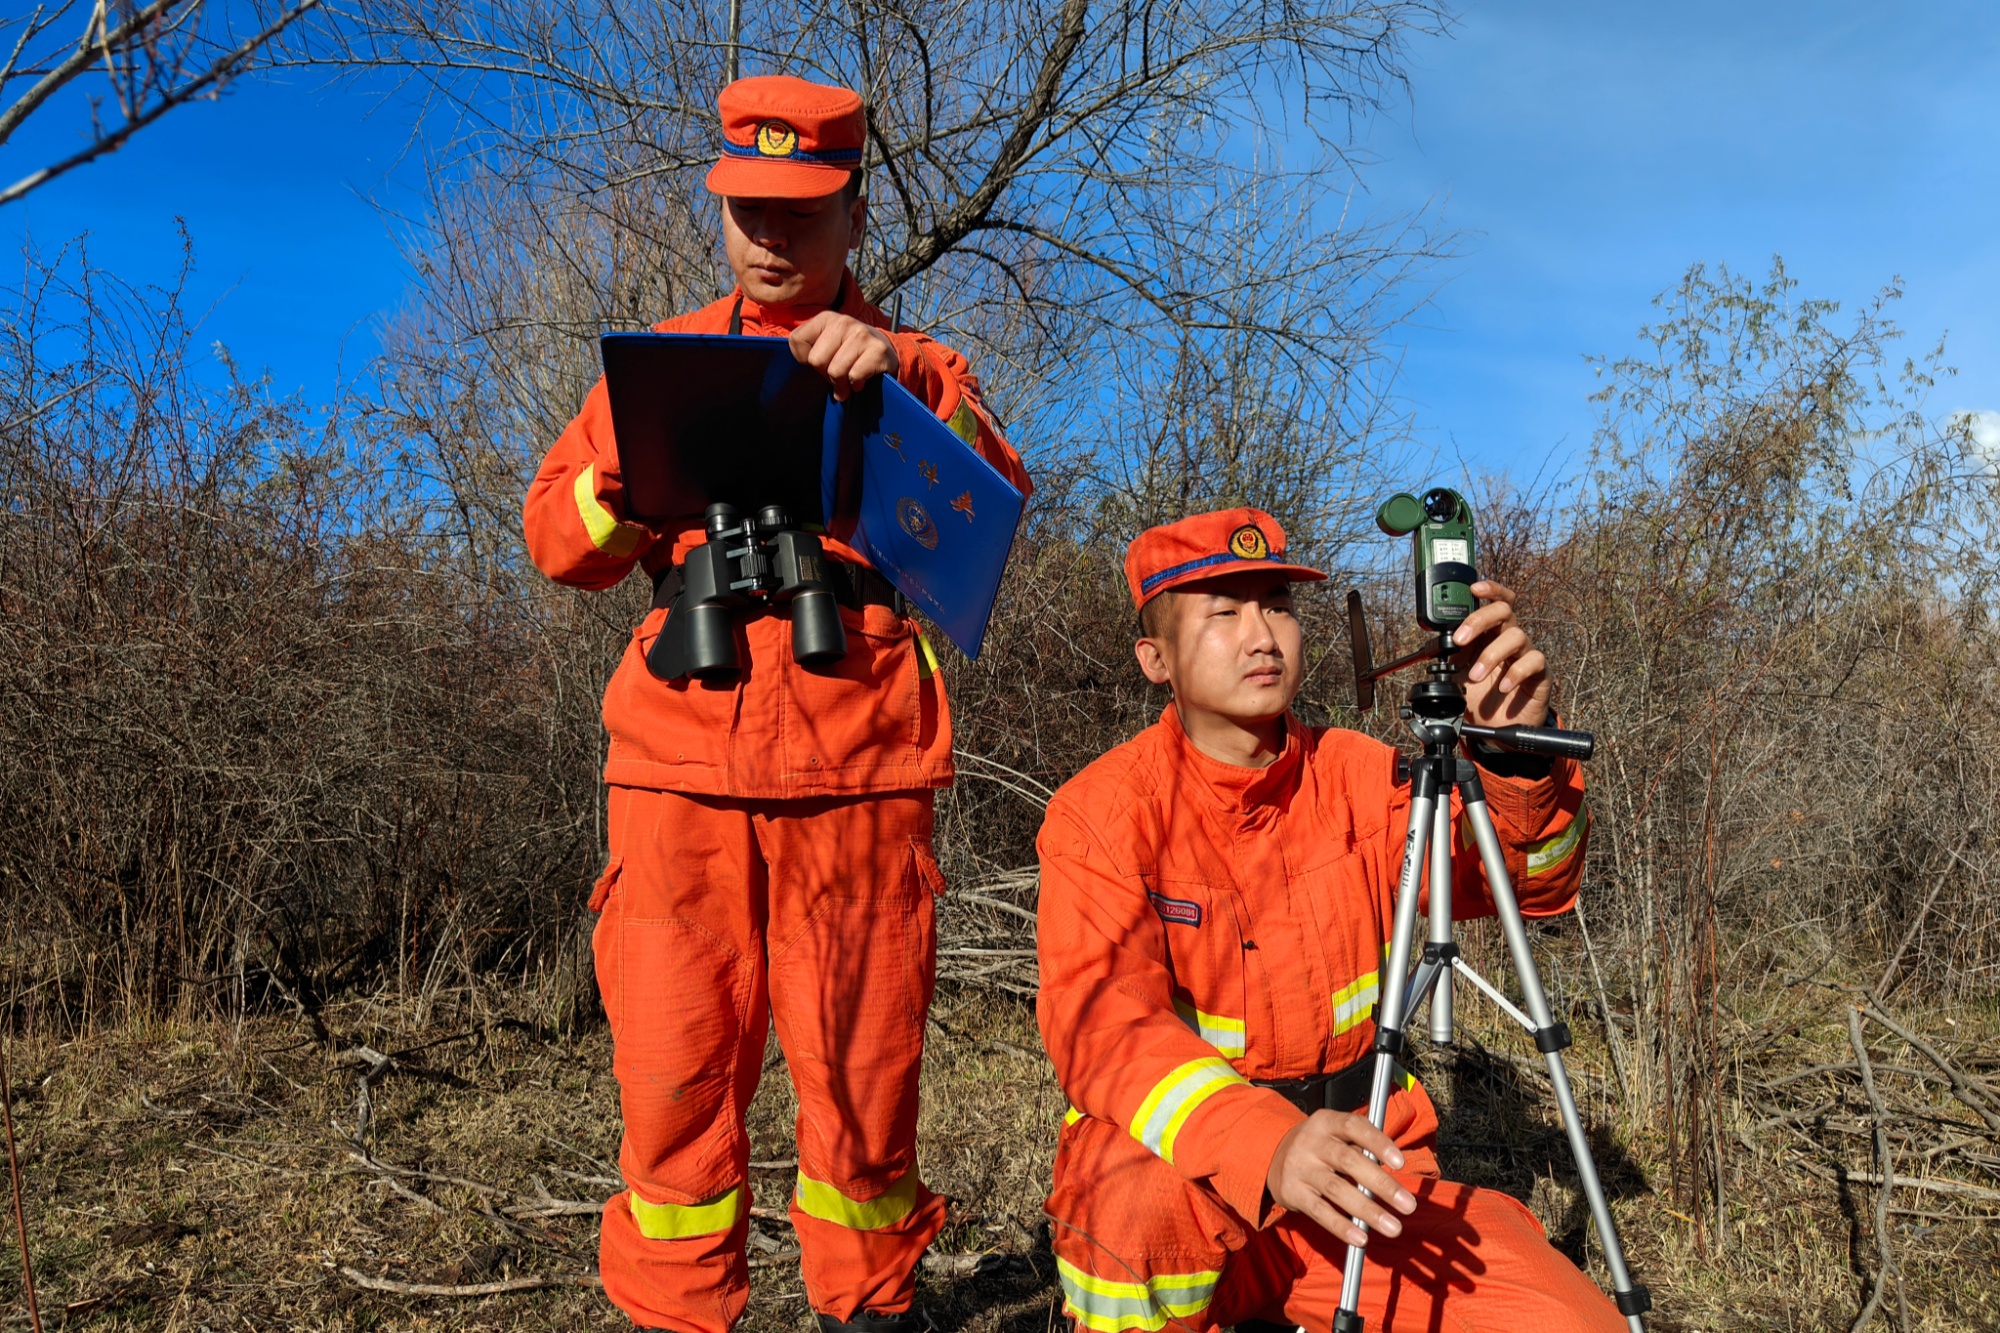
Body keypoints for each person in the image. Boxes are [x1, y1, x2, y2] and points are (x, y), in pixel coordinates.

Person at [523, 73, 1032, 1333]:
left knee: (863, 1090)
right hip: (674, 779)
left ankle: (867, 1308)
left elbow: (988, 516)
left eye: (802, 211)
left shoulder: (918, 362)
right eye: (748, 208)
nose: (770, 234)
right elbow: (551, 536)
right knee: (671, 1085)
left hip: (856, 775)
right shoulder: (652, 367)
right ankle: (677, 1315)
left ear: (855, 219)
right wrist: (636, 480)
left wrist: (892, 397)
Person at [1034, 507, 1622, 1333]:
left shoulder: (1356, 773)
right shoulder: (1100, 813)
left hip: (1364, 1180)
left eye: (1277, 604)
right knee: (1132, 1199)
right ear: (1154, 658)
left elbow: (1530, 884)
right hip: (1192, 1191)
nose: (1262, 635)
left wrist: (1518, 755)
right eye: (1223, 610)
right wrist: (1264, 1144)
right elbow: (1104, 1028)